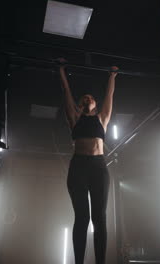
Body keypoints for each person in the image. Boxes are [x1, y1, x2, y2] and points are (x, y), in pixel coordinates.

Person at [57, 58, 118, 264]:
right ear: (80, 104)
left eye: (90, 97)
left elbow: (109, 94)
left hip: (99, 167)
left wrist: (112, 76)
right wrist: (62, 71)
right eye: (84, 98)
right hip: (79, 168)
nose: (87, 99)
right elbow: (66, 92)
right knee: (82, 218)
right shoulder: (74, 118)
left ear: (95, 104)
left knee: (99, 218)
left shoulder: (102, 119)